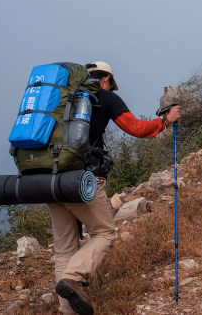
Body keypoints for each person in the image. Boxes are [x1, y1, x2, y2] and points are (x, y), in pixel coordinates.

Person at [51, 61, 181, 315]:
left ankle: (68, 308)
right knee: (104, 233)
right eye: (111, 83)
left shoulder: (60, 99)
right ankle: (74, 278)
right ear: (106, 79)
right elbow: (136, 128)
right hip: (83, 179)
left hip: (49, 180)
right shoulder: (105, 96)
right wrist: (165, 120)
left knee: (64, 248)